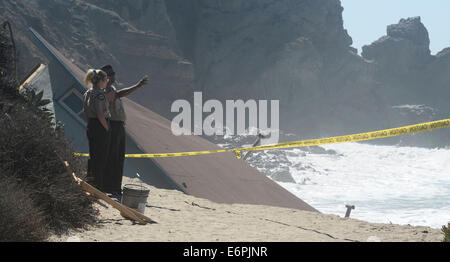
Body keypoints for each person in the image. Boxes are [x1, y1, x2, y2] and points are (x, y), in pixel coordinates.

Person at [100, 65, 149, 196]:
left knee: (118, 157)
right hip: (113, 126)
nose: (114, 77)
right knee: (113, 157)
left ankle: (114, 186)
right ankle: (109, 186)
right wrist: (137, 86)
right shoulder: (105, 90)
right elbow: (119, 94)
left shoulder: (110, 88)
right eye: (112, 75)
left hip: (118, 126)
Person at [83, 69, 111, 191]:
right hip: (100, 125)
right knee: (101, 156)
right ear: (100, 81)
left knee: (93, 155)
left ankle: (90, 181)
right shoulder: (100, 94)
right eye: (106, 80)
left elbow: (85, 112)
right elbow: (100, 113)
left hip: (91, 125)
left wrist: (91, 123)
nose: (107, 82)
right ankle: (98, 186)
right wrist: (107, 128)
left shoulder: (88, 93)